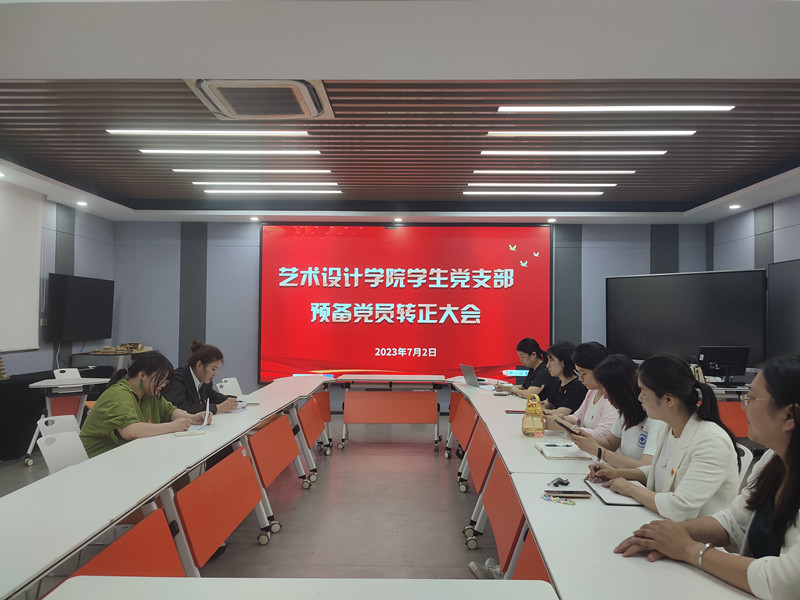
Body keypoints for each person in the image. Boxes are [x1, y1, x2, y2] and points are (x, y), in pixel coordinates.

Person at [614, 355, 800, 600]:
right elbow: (735, 522)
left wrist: (689, 549)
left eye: (751, 398)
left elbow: (784, 582)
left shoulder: (710, 438)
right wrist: (668, 535)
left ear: (789, 416)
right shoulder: (772, 460)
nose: (744, 406)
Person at [594, 354, 740, 521]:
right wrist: (616, 473)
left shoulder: (711, 441)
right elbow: (659, 471)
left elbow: (680, 507)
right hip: (664, 521)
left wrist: (630, 488)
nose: (639, 398)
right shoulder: (668, 427)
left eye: (643, 392)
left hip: (694, 531)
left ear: (668, 399)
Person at [79, 352, 210, 458]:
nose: (163, 384)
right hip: (96, 461)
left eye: (165, 380)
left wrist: (192, 418)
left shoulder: (150, 394)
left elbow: (170, 411)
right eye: (161, 379)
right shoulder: (119, 394)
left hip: (125, 456)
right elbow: (129, 431)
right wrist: (172, 426)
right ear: (142, 374)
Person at [572, 353, 665, 469]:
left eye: (604, 388)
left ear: (619, 389)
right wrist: (588, 440)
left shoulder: (656, 417)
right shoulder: (625, 411)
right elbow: (610, 443)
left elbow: (645, 468)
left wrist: (598, 451)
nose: (604, 396)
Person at [546, 342, 618, 439]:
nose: (580, 379)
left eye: (583, 374)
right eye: (578, 373)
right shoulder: (592, 391)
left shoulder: (612, 399)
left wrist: (563, 425)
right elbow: (577, 417)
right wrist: (562, 419)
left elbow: (602, 436)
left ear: (599, 370)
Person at [164, 340, 238, 414]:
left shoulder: (204, 379)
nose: (215, 374)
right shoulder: (177, 379)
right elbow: (181, 407)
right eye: (213, 369)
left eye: (217, 369)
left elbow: (212, 396)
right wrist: (217, 408)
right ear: (199, 365)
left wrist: (229, 400)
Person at [540, 340, 587, 416]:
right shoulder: (561, 382)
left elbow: (562, 413)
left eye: (551, 360)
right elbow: (549, 403)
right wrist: (543, 404)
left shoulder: (576, 386)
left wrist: (540, 410)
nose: (547, 365)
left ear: (563, 362)